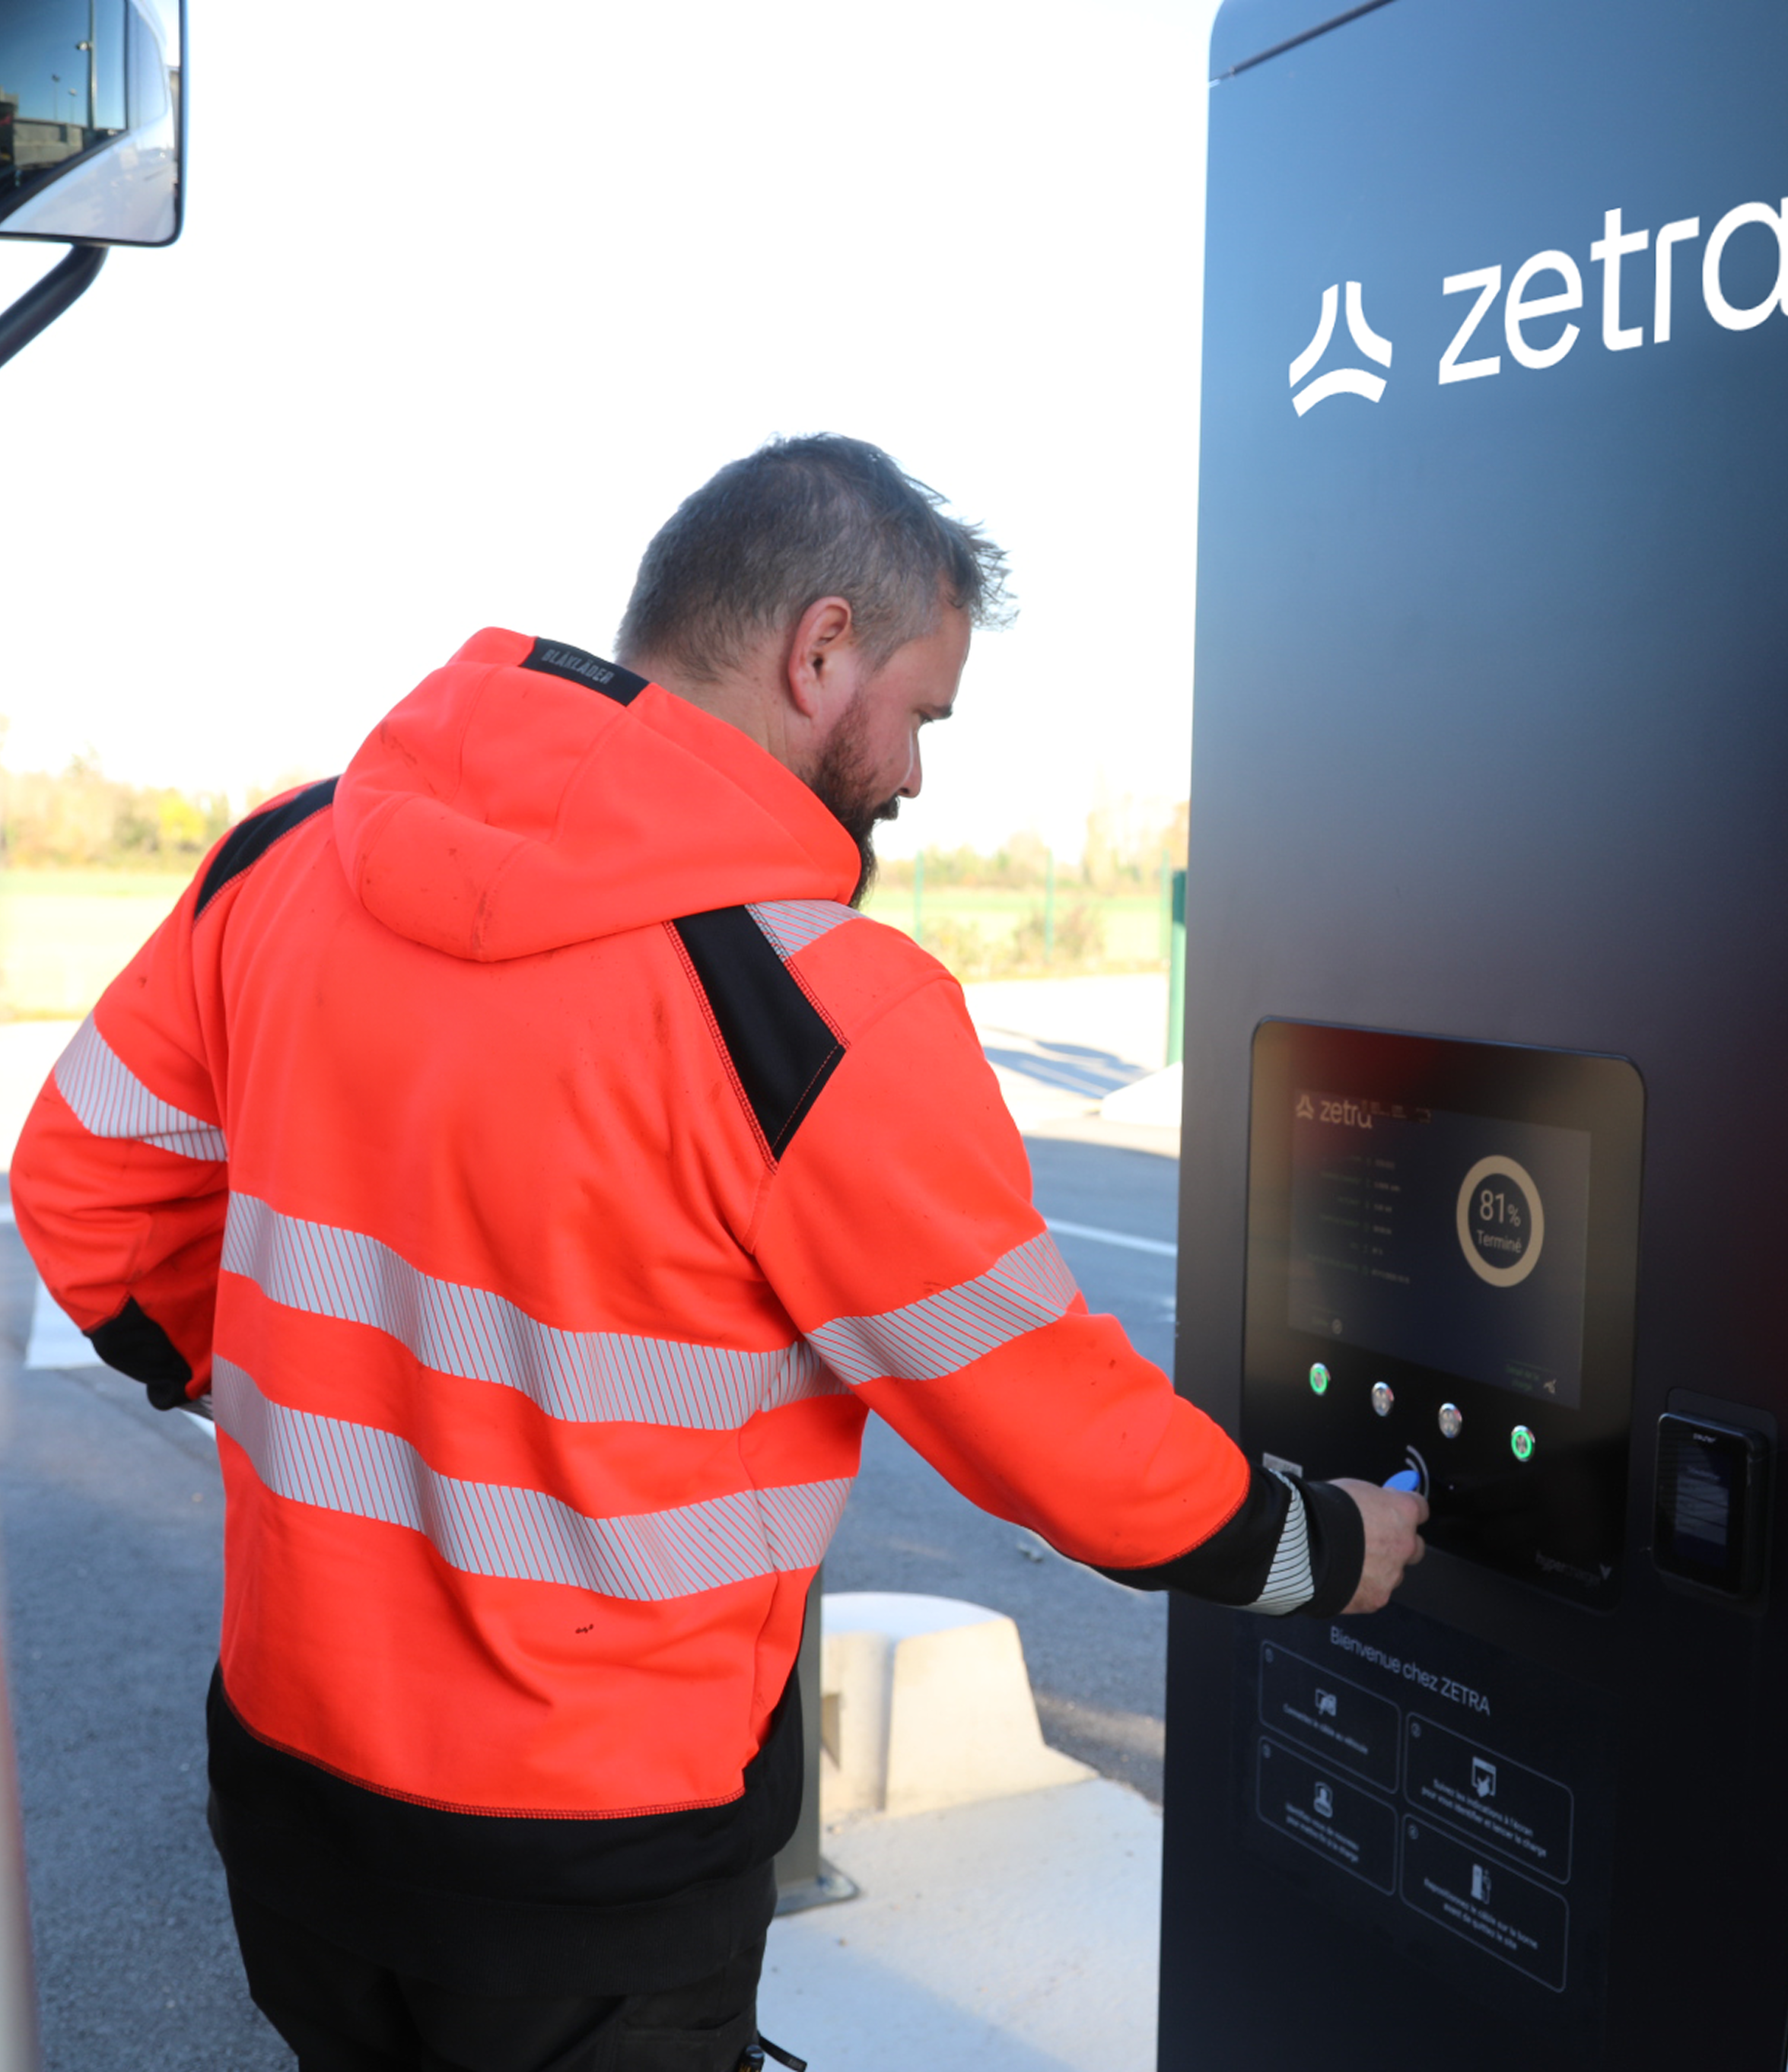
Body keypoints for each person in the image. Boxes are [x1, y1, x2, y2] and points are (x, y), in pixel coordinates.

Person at [10, 434, 1429, 2072]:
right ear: (820, 652)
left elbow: (83, 1192)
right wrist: (1321, 1544)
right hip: (596, 1873)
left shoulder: (281, 861)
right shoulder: (817, 1014)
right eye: (923, 712)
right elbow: (1059, 1437)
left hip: (291, 1798)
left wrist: (273, 1380)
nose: (916, 776)